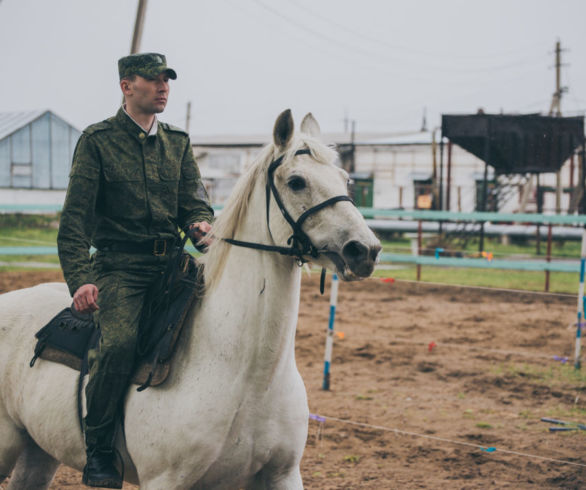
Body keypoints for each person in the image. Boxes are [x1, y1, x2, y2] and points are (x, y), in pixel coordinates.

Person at [57, 52, 213, 488]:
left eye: (167, 80)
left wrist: (199, 222)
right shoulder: (98, 141)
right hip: (119, 267)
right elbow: (74, 223)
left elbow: (194, 200)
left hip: (175, 264)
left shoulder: (177, 142)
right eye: (153, 80)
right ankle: (100, 450)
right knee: (120, 342)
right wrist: (81, 278)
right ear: (127, 86)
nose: (163, 87)